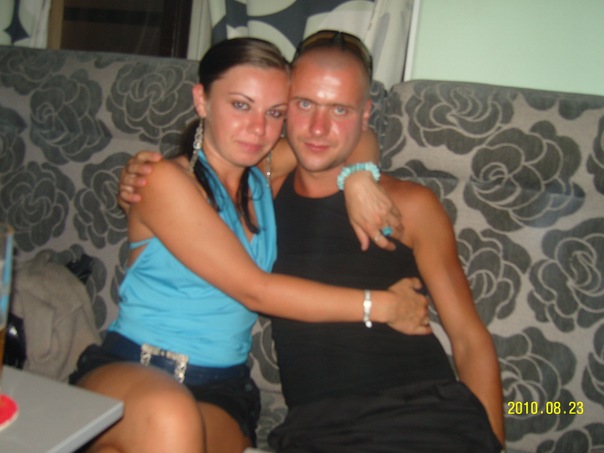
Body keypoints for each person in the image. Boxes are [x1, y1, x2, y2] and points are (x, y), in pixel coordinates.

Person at [120, 31, 506, 452]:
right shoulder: (259, 193)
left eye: (340, 109)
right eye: (304, 104)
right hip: (314, 429)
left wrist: (492, 444)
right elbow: (199, 184)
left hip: (422, 414)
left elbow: (469, 339)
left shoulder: (411, 206)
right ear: (285, 109)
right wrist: (358, 174)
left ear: (364, 114)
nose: (319, 127)